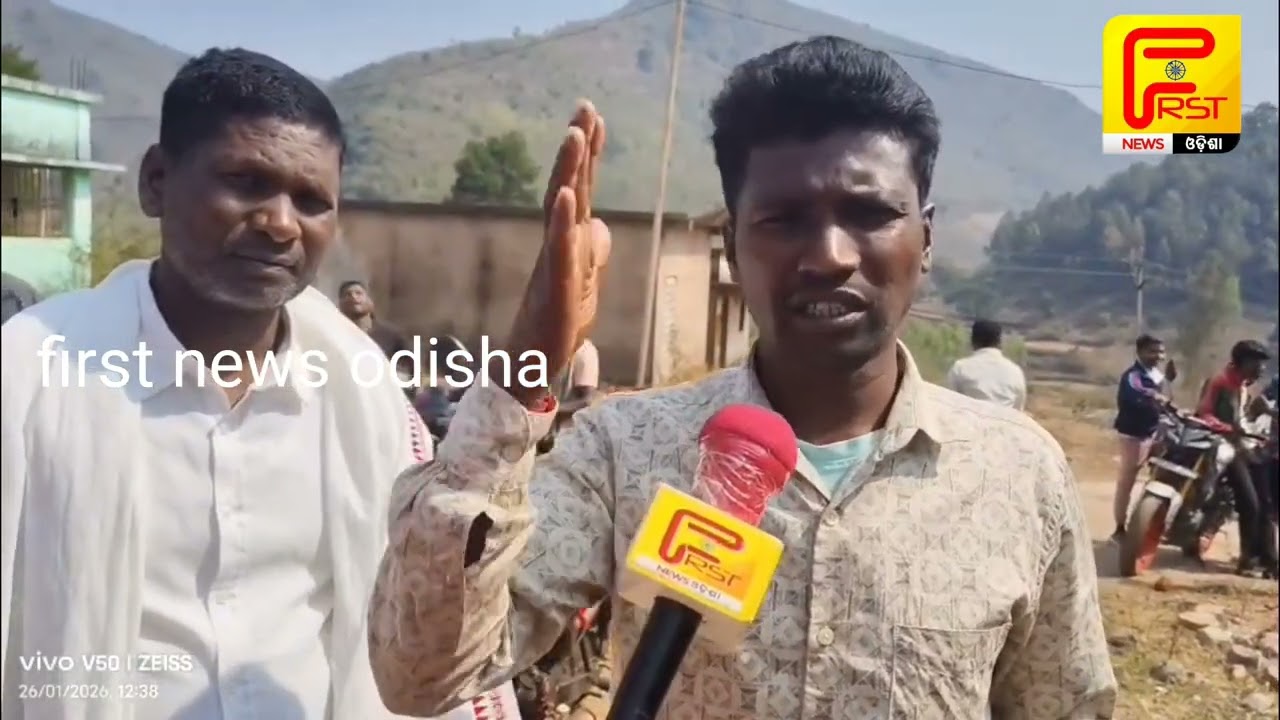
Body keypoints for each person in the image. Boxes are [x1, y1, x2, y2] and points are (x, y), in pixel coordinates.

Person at [367, 37, 1116, 719]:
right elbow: (421, 677)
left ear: (925, 239)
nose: (829, 255)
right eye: (784, 219)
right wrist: (522, 369)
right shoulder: (624, 450)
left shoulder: (1020, 474)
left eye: (868, 214)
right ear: (731, 245)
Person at [0, 47, 517, 720]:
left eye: (312, 201)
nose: (281, 222)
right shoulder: (28, 377)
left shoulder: (362, 395)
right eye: (246, 183)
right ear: (156, 181)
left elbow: (414, 619)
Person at [1195, 340, 1276, 577]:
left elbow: (1243, 421)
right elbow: (1204, 413)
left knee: (1265, 503)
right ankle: (1247, 560)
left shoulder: (1242, 388)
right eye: (1257, 363)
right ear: (1243, 361)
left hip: (1242, 448)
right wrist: (1227, 428)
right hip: (1224, 449)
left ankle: (1269, 561)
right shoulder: (1220, 381)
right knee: (1250, 504)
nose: (1261, 369)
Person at [1109, 334, 1174, 543]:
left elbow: (1166, 401)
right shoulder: (1133, 375)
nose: (1158, 356)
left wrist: (1168, 385)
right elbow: (1141, 392)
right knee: (1127, 480)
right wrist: (1156, 395)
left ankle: (1148, 523)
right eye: (1152, 351)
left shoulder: (1158, 375)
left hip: (1154, 433)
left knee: (1163, 476)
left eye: (1161, 352)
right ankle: (1120, 528)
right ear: (1139, 352)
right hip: (1134, 435)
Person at [338, 279, 415, 395]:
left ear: (370, 301)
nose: (353, 297)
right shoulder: (335, 335)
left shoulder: (391, 335)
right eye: (347, 294)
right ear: (340, 305)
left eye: (358, 293)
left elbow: (411, 371)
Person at [945, 318, 1027, 410]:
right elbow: (1018, 411)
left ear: (973, 341)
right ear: (1000, 342)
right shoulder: (1015, 371)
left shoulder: (960, 368)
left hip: (968, 418)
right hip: (1002, 419)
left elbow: (949, 404)